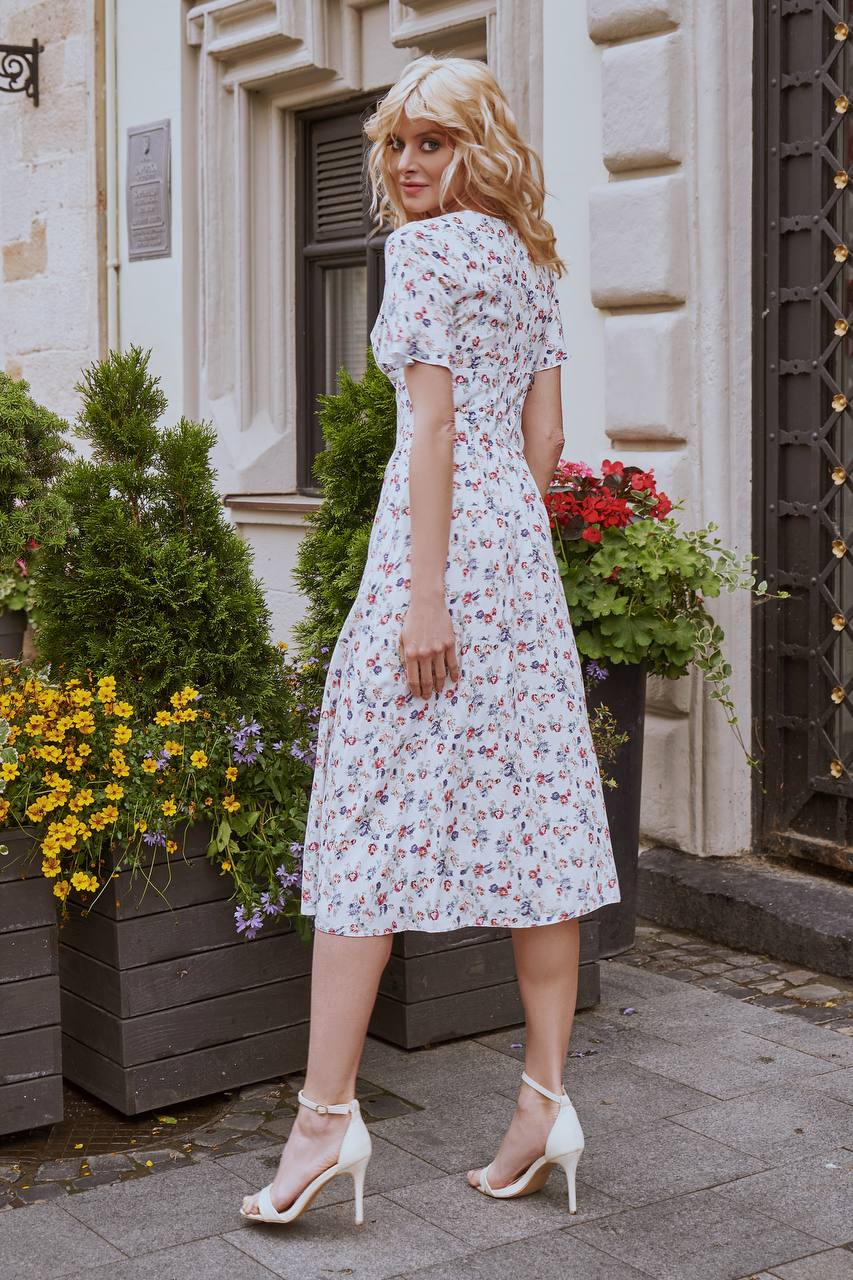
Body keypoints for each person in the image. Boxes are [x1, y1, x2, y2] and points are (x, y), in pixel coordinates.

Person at [241, 52, 620, 1227]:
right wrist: (495, 551)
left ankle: (324, 1117)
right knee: (540, 810)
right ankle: (543, 1100)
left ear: (477, 146)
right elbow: (545, 439)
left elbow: (439, 425)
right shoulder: (530, 256)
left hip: (438, 552)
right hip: (515, 550)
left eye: (434, 142)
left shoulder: (423, 250)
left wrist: (424, 594)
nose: (408, 165)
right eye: (396, 144)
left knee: (358, 813)